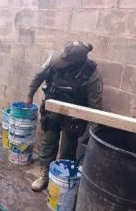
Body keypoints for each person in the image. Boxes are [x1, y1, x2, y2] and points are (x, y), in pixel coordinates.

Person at [25, 41, 103, 192]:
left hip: (74, 116)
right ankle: (44, 175)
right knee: (49, 142)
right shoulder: (54, 60)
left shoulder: (92, 74)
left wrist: (92, 131)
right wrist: (29, 95)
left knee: (68, 149)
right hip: (53, 109)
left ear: (77, 62)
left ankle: (63, 179)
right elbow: (39, 76)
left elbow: (96, 106)